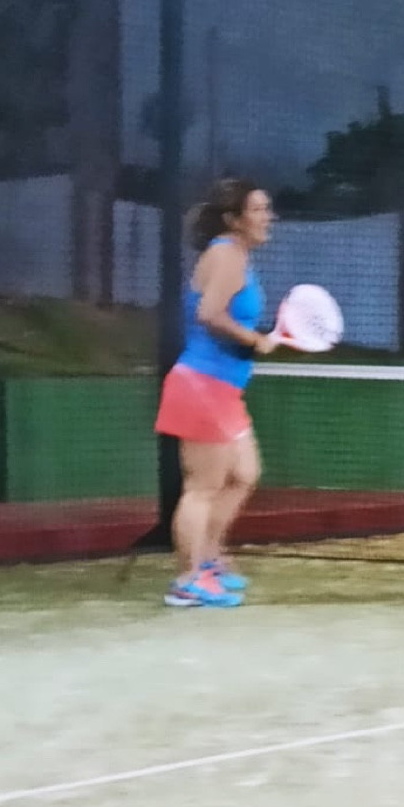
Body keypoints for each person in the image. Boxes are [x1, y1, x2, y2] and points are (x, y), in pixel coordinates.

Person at [153, 179, 279, 608]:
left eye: (267, 209)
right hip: (200, 384)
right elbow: (209, 314)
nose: (267, 217)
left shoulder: (238, 256)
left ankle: (207, 560)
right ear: (233, 219)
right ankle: (187, 582)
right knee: (202, 487)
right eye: (258, 210)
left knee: (244, 474)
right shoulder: (225, 254)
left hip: (223, 388)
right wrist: (254, 339)